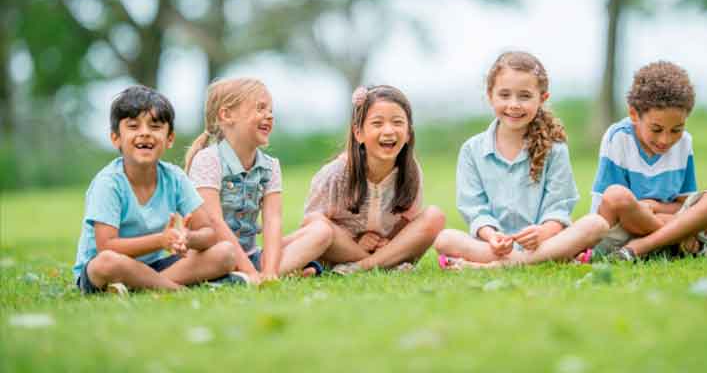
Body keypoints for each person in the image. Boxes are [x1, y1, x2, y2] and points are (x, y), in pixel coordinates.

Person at [434, 52, 608, 270]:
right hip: (492, 245)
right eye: (504, 95)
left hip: (544, 242)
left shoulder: (555, 149)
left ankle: (499, 265)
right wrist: (492, 236)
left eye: (524, 96)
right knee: (445, 239)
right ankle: (540, 260)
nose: (514, 104)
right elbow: (474, 208)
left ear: (542, 98)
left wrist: (542, 232)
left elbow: (559, 206)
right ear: (490, 96)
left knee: (597, 224)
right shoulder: (472, 150)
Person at [73, 86, 236, 294]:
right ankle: (174, 289)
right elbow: (107, 246)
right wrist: (160, 240)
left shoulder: (174, 177)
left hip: (157, 266)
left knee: (225, 252)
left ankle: (142, 286)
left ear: (169, 139)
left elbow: (209, 233)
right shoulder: (109, 182)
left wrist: (186, 238)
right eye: (133, 126)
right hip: (108, 268)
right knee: (106, 262)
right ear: (116, 138)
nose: (145, 133)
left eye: (155, 126)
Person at [185, 78, 331, 283]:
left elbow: (273, 221)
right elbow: (215, 222)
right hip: (215, 255)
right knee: (223, 254)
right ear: (226, 115)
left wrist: (269, 271)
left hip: (252, 255)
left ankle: (254, 276)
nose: (269, 116)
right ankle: (248, 275)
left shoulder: (270, 166)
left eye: (271, 110)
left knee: (322, 232)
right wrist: (251, 271)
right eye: (260, 108)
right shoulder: (208, 160)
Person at [591, 61, 707, 261]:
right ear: (634, 114)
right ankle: (680, 241)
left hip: (668, 219)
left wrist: (656, 207)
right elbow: (608, 207)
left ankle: (641, 247)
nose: (665, 140)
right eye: (656, 129)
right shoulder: (618, 137)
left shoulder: (685, 143)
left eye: (676, 130)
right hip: (625, 226)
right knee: (617, 196)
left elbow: (685, 206)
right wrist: (650, 212)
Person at [302, 85, 446, 275]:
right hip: (343, 250)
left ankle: (362, 267)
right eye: (377, 123)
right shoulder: (336, 173)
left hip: (388, 248)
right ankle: (380, 264)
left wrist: (388, 243)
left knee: (435, 216)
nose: (388, 131)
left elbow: (406, 223)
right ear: (358, 133)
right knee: (319, 225)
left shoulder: (411, 171)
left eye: (397, 122)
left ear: (409, 133)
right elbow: (310, 225)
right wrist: (354, 241)